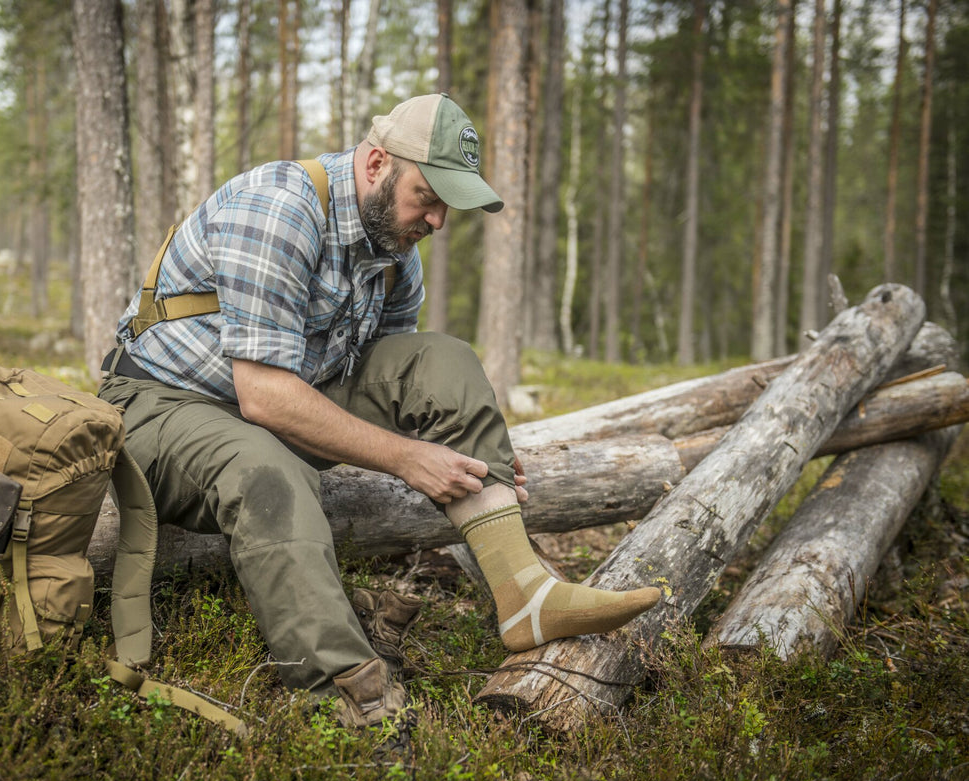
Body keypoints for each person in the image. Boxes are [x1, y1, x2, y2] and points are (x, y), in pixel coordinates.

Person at [98, 94, 660, 728]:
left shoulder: (395, 255)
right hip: (163, 404)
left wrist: (477, 455)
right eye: (429, 195)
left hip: (270, 404)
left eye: (450, 204)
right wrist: (406, 458)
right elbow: (263, 396)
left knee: (443, 360)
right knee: (263, 470)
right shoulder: (280, 206)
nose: (439, 220)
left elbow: (403, 385)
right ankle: (345, 695)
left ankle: (524, 591)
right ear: (374, 164)